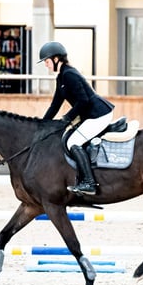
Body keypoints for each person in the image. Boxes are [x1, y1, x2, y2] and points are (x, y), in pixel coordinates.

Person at [39, 41, 114, 196]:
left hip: (99, 114)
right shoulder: (61, 77)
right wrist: (42, 124)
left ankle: (89, 183)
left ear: (56, 59)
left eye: (47, 61)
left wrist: (67, 118)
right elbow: (55, 105)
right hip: (89, 115)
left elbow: (84, 101)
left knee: (73, 141)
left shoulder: (69, 75)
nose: (46, 65)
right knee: (68, 138)